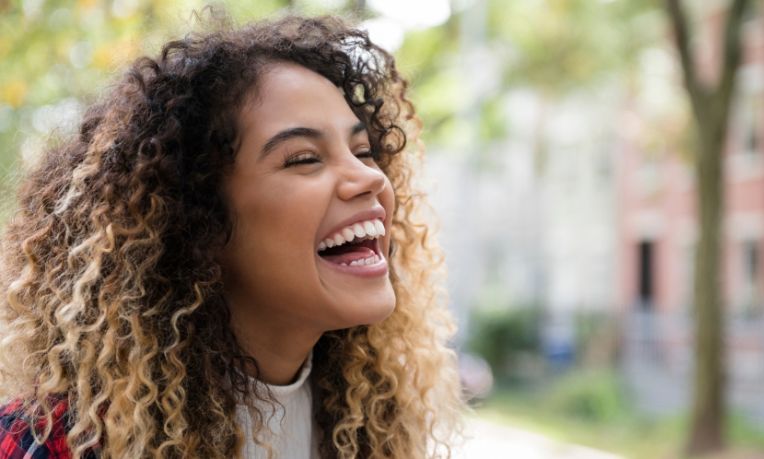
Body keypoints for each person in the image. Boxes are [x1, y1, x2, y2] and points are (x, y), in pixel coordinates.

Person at [0, 13, 464, 459]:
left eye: (363, 150)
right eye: (304, 158)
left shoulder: (377, 428)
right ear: (195, 222)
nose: (369, 178)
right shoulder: (48, 444)